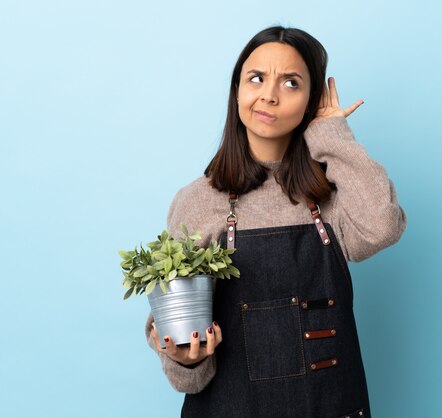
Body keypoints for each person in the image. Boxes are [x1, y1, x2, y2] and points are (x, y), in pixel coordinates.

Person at [145, 25, 407, 417]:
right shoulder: (198, 201)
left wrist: (331, 133)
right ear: (237, 91)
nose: (269, 94)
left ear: (310, 101)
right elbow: (184, 364)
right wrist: (186, 357)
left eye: (290, 83)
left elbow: (382, 226)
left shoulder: (330, 195)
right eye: (256, 78)